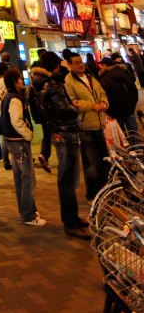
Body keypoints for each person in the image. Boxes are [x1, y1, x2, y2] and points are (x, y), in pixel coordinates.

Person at [30, 51, 90, 239]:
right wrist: (76, 107)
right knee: (67, 179)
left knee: (67, 177)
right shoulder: (52, 85)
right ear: (56, 66)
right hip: (65, 132)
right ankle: (70, 223)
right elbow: (64, 109)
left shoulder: (37, 84)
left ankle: (72, 218)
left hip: (56, 131)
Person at [0, 67, 45, 226]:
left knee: (20, 177)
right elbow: (17, 121)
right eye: (19, 78)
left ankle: (25, 210)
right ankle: (28, 215)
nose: (22, 80)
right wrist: (28, 134)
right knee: (28, 178)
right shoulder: (15, 99)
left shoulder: (7, 96)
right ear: (14, 81)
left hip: (12, 141)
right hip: (19, 141)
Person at [64, 52, 109, 202]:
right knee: (90, 162)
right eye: (76, 62)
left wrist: (104, 103)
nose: (80, 64)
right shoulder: (69, 81)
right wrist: (91, 106)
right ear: (69, 65)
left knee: (104, 160)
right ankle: (92, 194)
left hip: (99, 124)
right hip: (84, 127)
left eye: (81, 61)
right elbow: (72, 102)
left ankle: (106, 190)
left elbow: (102, 93)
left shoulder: (90, 77)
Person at [98, 56, 139, 138]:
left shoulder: (104, 80)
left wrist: (108, 111)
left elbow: (104, 96)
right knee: (133, 132)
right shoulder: (124, 73)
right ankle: (137, 148)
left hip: (115, 112)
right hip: (129, 108)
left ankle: (126, 149)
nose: (101, 67)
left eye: (102, 65)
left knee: (121, 135)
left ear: (105, 65)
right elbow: (134, 90)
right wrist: (133, 104)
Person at [28, 64, 52, 174]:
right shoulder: (48, 82)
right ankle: (44, 155)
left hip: (40, 114)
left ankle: (44, 155)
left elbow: (31, 102)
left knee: (46, 134)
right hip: (50, 113)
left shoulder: (32, 85)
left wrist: (35, 117)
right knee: (50, 134)